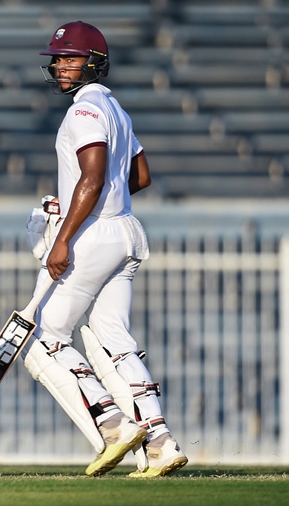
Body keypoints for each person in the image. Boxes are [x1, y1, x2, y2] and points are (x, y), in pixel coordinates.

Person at [21, 21, 187, 478]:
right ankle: (161, 443)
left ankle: (113, 425)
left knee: (49, 335)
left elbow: (92, 179)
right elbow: (139, 177)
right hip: (127, 230)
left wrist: (63, 236)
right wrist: (94, 194)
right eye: (57, 59)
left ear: (93, 62)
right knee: (115, 340)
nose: (60, 66)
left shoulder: (83, 111)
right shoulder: (116, 108)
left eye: (70, 58)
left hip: (94, 234)